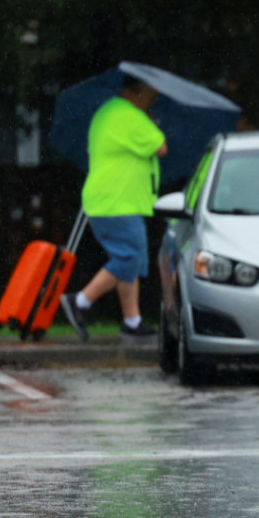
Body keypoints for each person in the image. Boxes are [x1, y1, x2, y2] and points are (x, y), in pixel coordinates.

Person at [60, 74, 168, 343]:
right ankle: (81, 301)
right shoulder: (129, 116)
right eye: (152, 97)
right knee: (129, 257)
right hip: (116, 202)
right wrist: (152, 125)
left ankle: (132, 321)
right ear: (137, 93)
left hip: (114, 200)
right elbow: (161, 147)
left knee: (131, 261)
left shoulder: (109, 112)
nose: (153, 102)